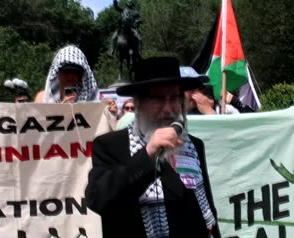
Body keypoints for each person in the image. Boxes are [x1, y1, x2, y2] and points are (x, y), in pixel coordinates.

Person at [85, 57, 221, 238]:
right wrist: (148, 154)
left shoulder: (193, 145)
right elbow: (98, 199)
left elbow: (207, 213)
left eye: (174, 97)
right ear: (138, 103)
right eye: (158, 98)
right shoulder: (111, 146)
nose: (167, 108)